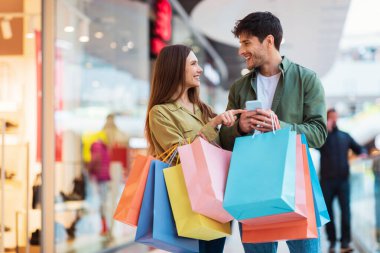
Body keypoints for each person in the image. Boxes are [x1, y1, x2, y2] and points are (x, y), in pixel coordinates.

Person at [219, 11, 327, 253]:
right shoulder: (238, 88)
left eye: (246, 43)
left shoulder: (306, 79)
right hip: (252, 185)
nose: (241, 51)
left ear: (268, 41)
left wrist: (280, 127)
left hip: (296, 183)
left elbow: (319, 133)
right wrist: (239, 127)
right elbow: (223, 141)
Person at [145, 44, 244, 253]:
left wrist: (238, 126)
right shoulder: (160, 113)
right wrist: (212, 125)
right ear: (175, 69)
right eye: (193, 64)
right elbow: (178, 155)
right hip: (190, 199)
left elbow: (222, 148)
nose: (199, 69)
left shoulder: (203, 108)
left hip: (217, 198)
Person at [319, 108, 367, 252]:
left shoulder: (345, 136)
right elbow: (314, 145)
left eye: (335, 117)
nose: (333, 120)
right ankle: (332, 241)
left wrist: (362, 156)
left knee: (346, 212)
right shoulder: (323, 137)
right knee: (329, 213)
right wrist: (325, 129)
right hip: (326, 181)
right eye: (330, 117)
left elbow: (360, 149)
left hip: (343, 181)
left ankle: (345, 242)